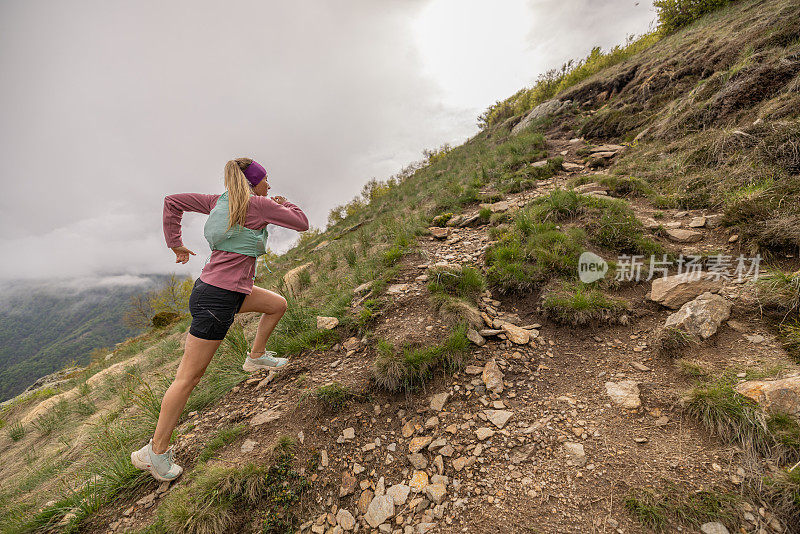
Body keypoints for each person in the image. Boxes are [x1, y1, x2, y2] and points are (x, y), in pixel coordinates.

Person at [130, 157, 308, 481]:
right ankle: (155, 452)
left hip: (228, 290)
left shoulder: (217, 201)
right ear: (255, 183)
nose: (269, 185)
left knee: (277, 305)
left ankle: (256, 357)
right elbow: (301, 222)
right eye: (266, 180)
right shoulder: (260, 205)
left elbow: (172, 202)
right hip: (218, 298)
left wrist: (176, 245)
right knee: (188, 379)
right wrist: (285, 203)